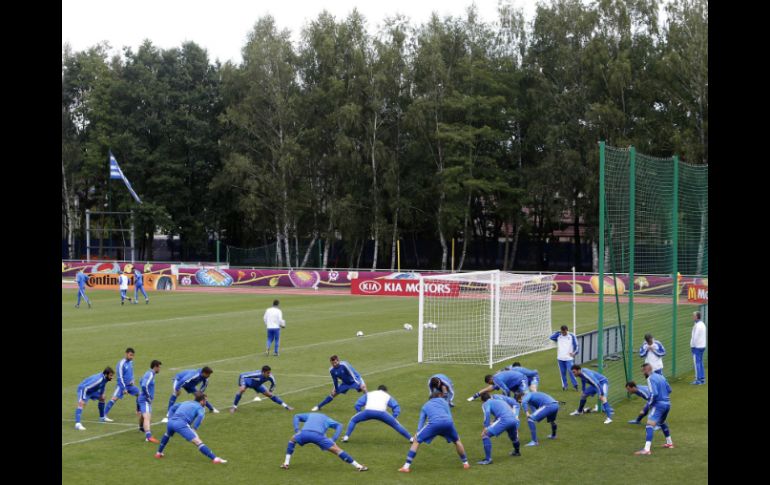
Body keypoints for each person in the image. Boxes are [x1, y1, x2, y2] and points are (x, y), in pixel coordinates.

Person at [398, 391, 469, 472]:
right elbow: (449, 415)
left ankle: (406, 467)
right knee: (457, 441)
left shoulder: (425, 405)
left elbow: (421, 420)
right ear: (438, 396)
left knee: (416, 441)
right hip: (448, 423)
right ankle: (465, 463)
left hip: (434, 424)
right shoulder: (444, 402)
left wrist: (417, 433)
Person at [155, 392, 228, 463]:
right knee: (198, 441)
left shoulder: (187, 402)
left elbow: (172, 407)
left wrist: (170, 418)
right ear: (201, 401)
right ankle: (215, 459)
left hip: (171, 422)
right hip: (181, 424)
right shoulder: (200, 408)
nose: (206, 403)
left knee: (167, 435)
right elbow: (200, 416)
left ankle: (158, 453)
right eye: (205, 401)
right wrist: (194, 429)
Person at [280, 412, 368, 471]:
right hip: (317, 436)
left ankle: (286, 463)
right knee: (337, 450)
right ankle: (358, 466)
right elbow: (339, 425)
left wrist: (297, 430)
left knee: (292, 440)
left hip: (304, 433)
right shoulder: (327, 419)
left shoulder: (311, 415)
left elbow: (297, 416)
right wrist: (333, 439)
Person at [341, 385, 412, 442]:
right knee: (396, 424)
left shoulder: (369, 394)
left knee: (353, 420)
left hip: (368, 412)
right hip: (382, 413)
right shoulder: (387, 396)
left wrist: (359, 412)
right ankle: (411, 438)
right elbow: (396, 406)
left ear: (378, 389)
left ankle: (346, 437)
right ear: (386, 391)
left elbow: (357, 404)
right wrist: (394, 416)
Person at [634, 363, 674, 455]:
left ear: (647, 370)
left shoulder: (650, 378)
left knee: (649, 425)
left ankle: (647, 449)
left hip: (659, 405)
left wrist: (649, 405)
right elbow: (669, 389)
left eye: (643, 371)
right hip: (667, 404)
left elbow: (654, 394)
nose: (642, 373)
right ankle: (669, 443)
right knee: (662, 422)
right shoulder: (661, 376)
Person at [476, 392, 521, 465]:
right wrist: (494, 421)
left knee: (485, 435)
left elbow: (487, 413)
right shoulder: (499, 400)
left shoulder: (485, 404)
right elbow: (504, 411)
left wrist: (486, 427)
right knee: (514, 437)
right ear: (490, 396)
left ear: (482, 400)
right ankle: (517, 452)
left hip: (504, 419)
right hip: (513, 419)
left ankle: (488, 459)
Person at [103, 347, 140, 421]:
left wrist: (132, 379)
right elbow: (120, 378)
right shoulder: (121, 364)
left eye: (133, 355)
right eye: (130, 355)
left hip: (130, 385)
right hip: (121, 386)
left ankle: (138, 411)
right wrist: (124, 388)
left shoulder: (130, 362)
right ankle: (103, 415)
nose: (132, 357)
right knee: (114, 398)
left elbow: (131, 372)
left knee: (139, 394)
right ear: (126, 354)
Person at [138, 360, 162, 443]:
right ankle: (148, 436)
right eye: (159, 367)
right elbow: (144, 385)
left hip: (143, 398)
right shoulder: (150, 374)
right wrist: (148, 397)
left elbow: (141, 381)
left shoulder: (148, 373)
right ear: (155, 367)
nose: (160, 369)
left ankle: (141, 428)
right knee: (147, 416)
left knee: (144, 415)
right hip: (145, 399)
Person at [549, 325, 579, 391]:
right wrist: (558, 332)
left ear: (567, 330)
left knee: (571, 371)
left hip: (569, 358)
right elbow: (551, 337)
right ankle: (565, 386)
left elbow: (576, 346)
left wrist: (574, 353)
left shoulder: (571, 336)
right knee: (562, 373)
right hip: (560, 358)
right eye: (562, 332)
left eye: (564, 332)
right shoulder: (558, 335)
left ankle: (575, 385)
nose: (563, 333)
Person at [690, 311, 707, 384]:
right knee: (700, 362)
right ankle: (702, 378)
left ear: (697, 317)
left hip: (697, 347)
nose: (692, 317)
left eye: (693, 316)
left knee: (696, 363)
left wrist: (693, 346)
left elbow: (695, 337)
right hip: (702, 346)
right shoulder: (702, 324)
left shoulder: (697, 325)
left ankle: (698, 380)